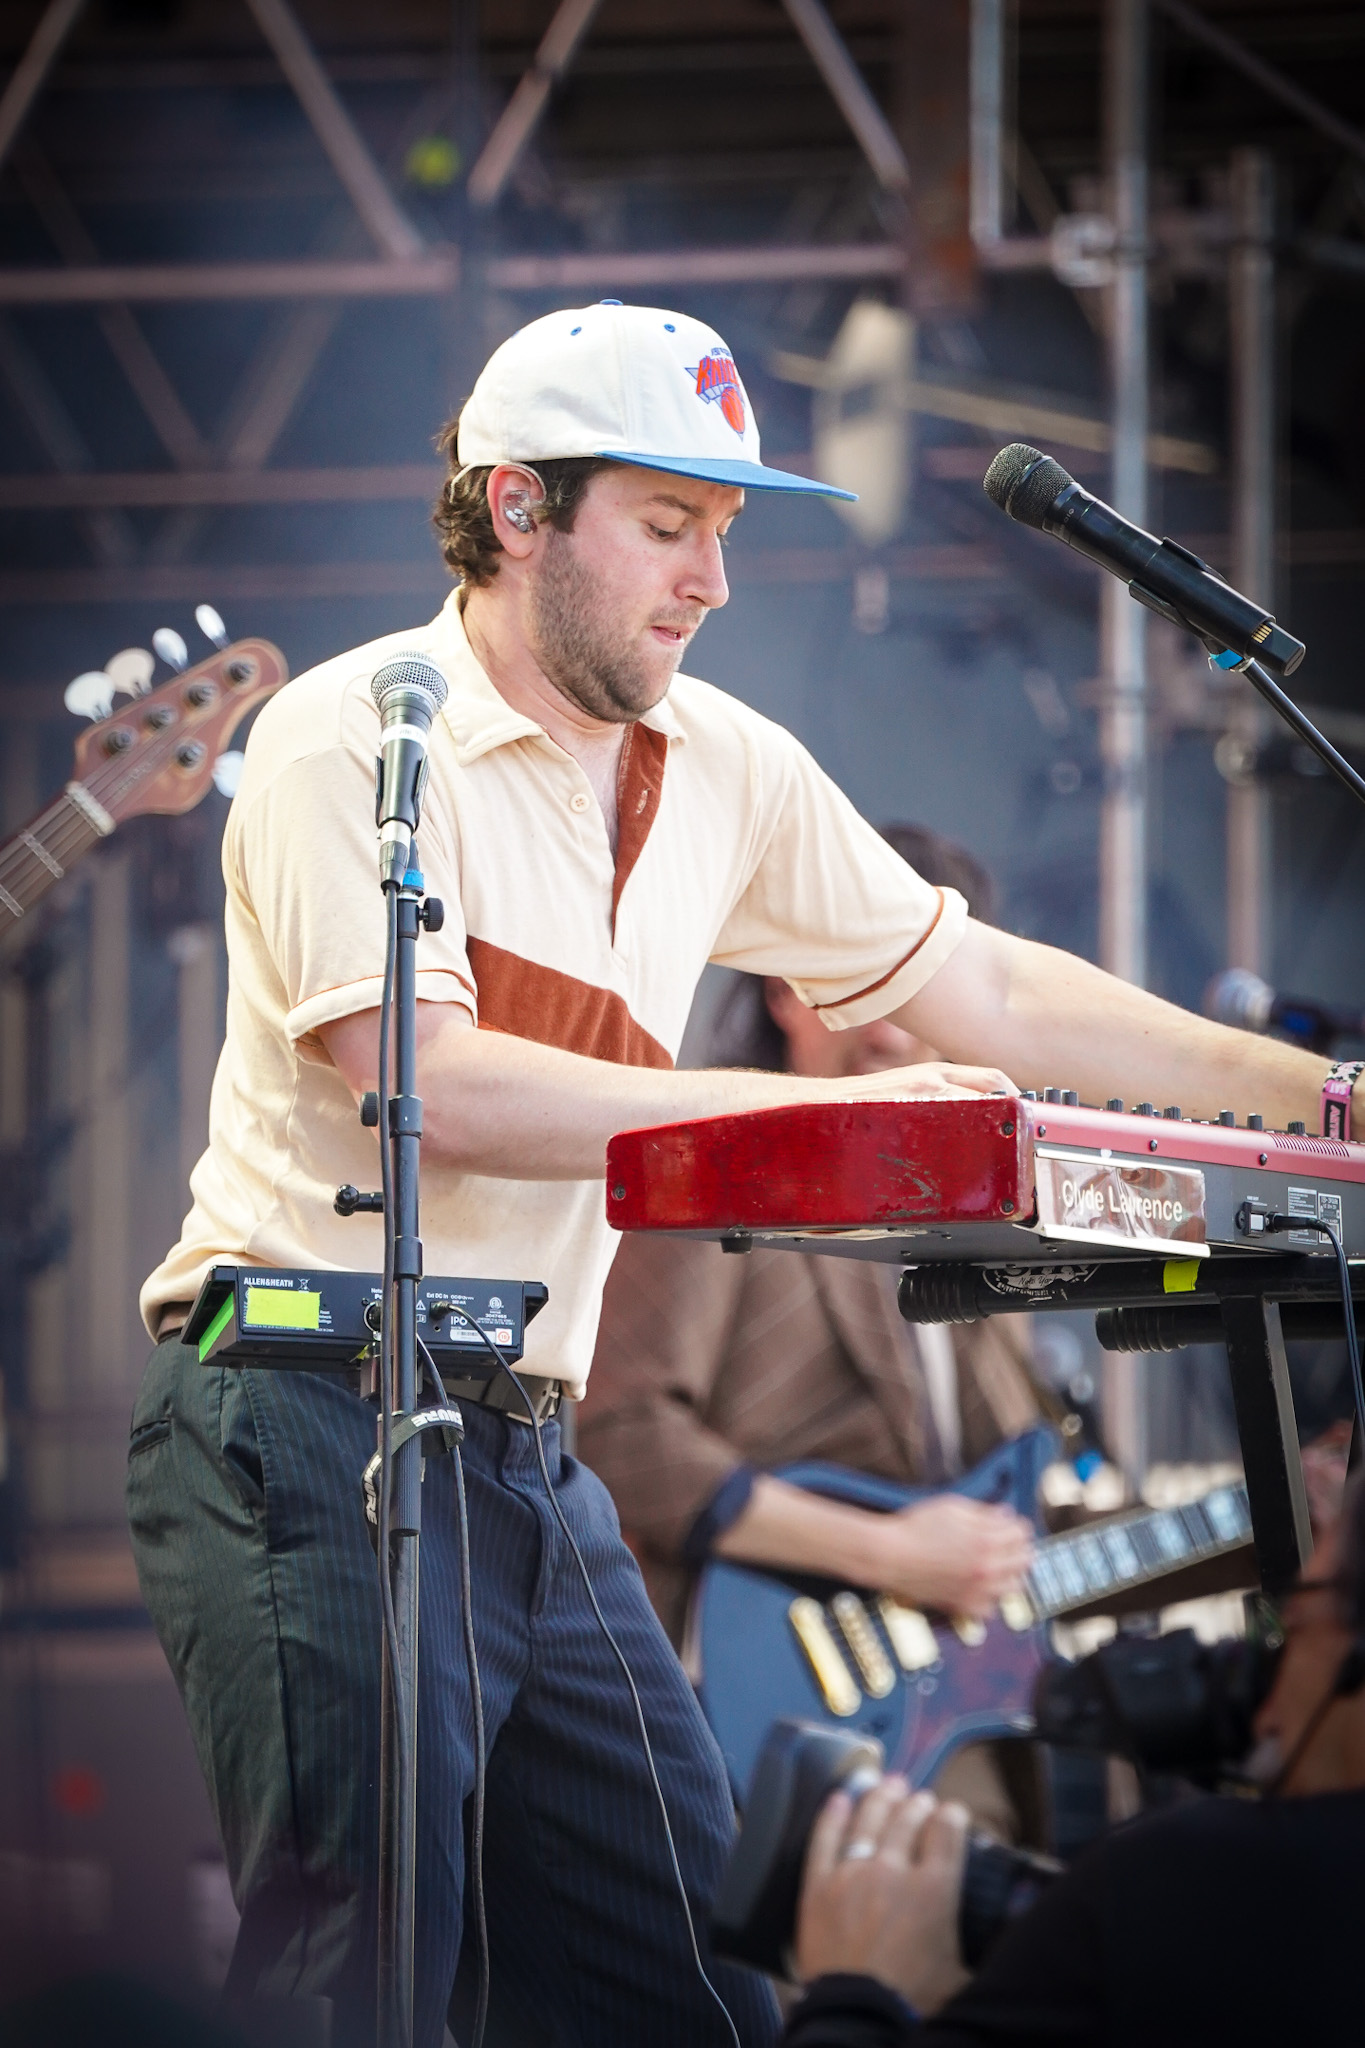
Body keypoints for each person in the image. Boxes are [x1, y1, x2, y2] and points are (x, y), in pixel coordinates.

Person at [125, 299, 1359, 2048]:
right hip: (309, 1396)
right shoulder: (356, 732)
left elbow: (985, 983)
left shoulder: (731, 764)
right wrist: (787, 1118)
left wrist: (1320, 1098)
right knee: (361, 1976)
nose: (711, 578)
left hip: (526, 1440)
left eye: (726, 531)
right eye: (667, 522)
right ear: (514, 509)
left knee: (699, 1977)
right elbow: (427, 1077)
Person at [578, 827, 1040, 1838]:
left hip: (953, 1708)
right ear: (786, 991)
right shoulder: (717, 1170)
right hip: (770, 1708)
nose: (890, 1027)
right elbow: (619, 1437)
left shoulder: (981, 1212)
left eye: (919, 989)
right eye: (857, 983)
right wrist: (886, 1550)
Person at [781, 1472, 1365, 2046]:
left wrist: (853, 1992)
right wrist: (886, 1551)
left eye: (1298, 1621)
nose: (1265, 1713)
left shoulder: (1189, 1887)